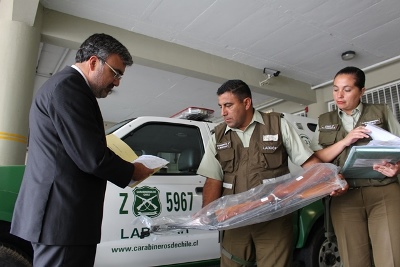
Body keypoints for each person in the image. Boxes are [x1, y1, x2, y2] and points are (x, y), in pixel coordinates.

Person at [10, 33, 155, 266]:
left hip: (61, 220)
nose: (117, 82)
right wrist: (132, 171)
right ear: (94, 62)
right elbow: (91, 157)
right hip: (62, 220)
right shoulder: (69, 88)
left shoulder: (68, 87)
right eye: (115, 73)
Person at [196, 79, 344, 267]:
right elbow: (213, 179)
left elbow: (310, 164)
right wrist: (207, 215)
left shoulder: (277, 125)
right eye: (221, 106)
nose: (223, 112)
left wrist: (331, 179)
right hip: (234, 221)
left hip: (274, 220)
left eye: (228, 105)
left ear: (246, 102)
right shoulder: (218, 136)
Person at [310, 66, 400, 267]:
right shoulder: (325, 120)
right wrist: (345, 141)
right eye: (335, 89)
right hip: (344, 196)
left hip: (383, 190)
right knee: (353, 260)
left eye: (347, 89)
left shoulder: (381, 111)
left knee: (391, 257)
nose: (339, 95)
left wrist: (398, 167)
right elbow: (317, 158)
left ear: (362, 91)